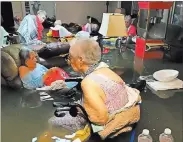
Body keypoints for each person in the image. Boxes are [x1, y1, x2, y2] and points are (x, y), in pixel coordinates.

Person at [48, 38, 141, 139]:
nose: (69, 61)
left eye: (70, 57)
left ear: (80, 60)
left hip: (108, 121)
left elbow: (101, 119)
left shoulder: (88, 83)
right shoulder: (105, 69)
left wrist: (82, 109)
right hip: (121, 109)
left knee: (52, 121)